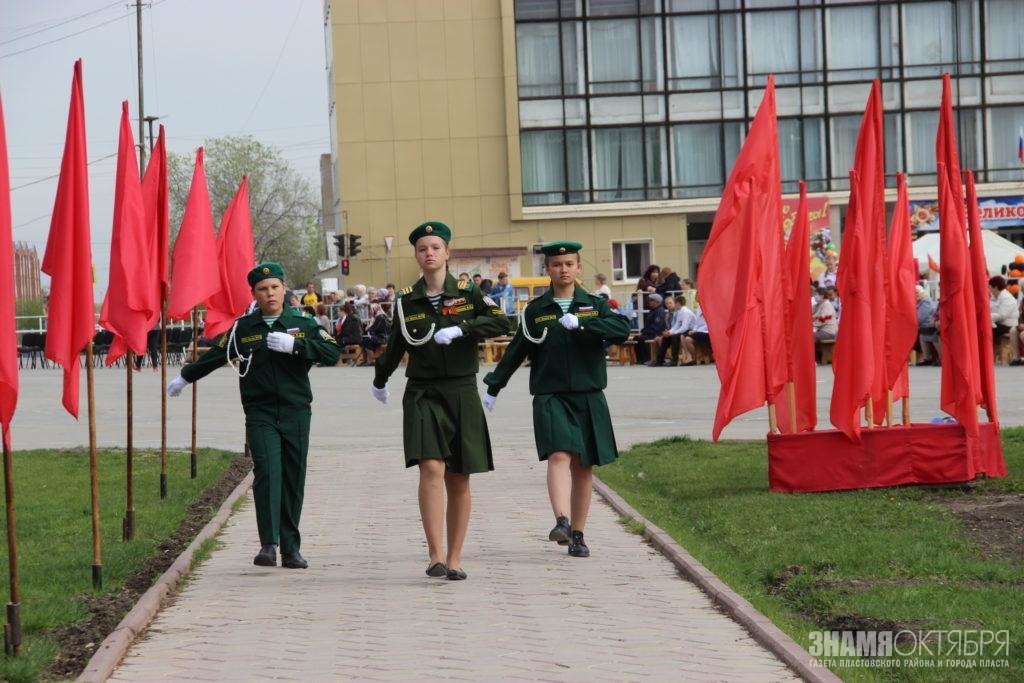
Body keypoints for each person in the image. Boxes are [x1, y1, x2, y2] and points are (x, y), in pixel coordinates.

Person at [167, 262, 340, 569]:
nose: (270, 293)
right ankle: (269, 545)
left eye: (274, 287)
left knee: (293, 477)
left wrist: (296, 345)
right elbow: (219, 354)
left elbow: (332, 353)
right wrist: (185, 377)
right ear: (254, 294)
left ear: (284, 289)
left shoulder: (304, 322)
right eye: (263, 289)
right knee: (268, 471)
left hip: (295, 411)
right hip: (259, 411)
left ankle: (291, 548)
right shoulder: (244, 328)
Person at [371, 221, 510, 581]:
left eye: (435, 247)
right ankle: (434, 555)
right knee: (431, 467)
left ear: (447, 252)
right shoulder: (406, 299)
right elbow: (395, 345)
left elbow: (501, 323)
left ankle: (455, 557)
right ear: (416, 256)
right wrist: (380, 379)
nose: (429, 253)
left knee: (460, 477)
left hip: (462, 390)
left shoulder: (468, 293)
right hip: (422, 391)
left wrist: (464, 329)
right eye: (422, 249)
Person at [483, 241, 630, 559]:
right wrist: (495, 385)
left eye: (569, 264)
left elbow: (622, 328)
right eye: (556, 264)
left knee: (583, 465)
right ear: (546, 269)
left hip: (589, 394)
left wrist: (584, 324)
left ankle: (578, 533)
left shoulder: (593, 304)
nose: (563, 269)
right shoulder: (536, 310)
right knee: (558, 455)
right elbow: (518, 349)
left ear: (578, 268)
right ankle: (561, 520)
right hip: (550, 394)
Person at [656, 295, 697, 366]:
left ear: (678, 303)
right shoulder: (679, 311)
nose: (673, 305)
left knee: (674, 337)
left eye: (674, 303)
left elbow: (685, 327)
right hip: (683, 331)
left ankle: (674, 360)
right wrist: (669, 332)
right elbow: (676, 325)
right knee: (666, 337)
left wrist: (673, 333)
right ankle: (660, 360)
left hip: (690, 331)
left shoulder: (685, 312)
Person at [635, 292, 666, 365]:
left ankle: (647, 358)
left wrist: (645, 332)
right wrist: (643, 331)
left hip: (656, 333)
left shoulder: (659, 311)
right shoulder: (652, 310)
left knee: (641, 338)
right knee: (636, 338)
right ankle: (640, 359)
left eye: (651, 300)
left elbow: (657, 326)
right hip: (650, 332)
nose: (649, 302)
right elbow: (648, 324)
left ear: (657, 302)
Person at [915, 285, 940, 366]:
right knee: (922, 337)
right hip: (926, 324)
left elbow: (921, 317)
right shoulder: (920, 302)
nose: (916, 295)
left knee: (932, 337)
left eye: (917, 293)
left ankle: (940, 358)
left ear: (922, 293)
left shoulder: (925, 302)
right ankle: (927, 358)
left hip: (929, 324)